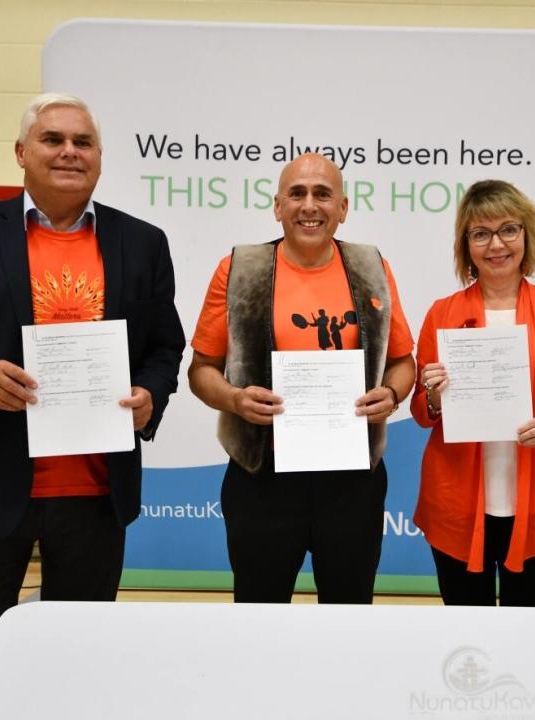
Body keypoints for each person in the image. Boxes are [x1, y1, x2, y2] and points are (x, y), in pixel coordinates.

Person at [0, 93, 185, 690]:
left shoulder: (142, 242)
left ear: (100, 158)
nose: (69, 152)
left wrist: (150, 394)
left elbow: (164, 347)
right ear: (22, 153)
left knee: (79, 669)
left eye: (83, 142)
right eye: (53, 140)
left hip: (95, 493)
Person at [188, 153, 415, 603]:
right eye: (297, 193)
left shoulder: (372, 266)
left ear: (343, 208)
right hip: (262, 476)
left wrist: (390, 394)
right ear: (277, 206)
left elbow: (403, 362)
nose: (309, 205)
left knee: (349, 610)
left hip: (352, 480)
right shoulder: (239, 268)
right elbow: (200, 372)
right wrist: (235, 400)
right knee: (260, 611)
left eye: (322, 194)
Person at [411, 180, 535, 606]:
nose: (496, 244)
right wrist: (435, 397)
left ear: (526, 235)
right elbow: (421, 412)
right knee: (465, 632)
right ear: (467, 245)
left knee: (530, 632)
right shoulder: (441, 313)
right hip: (457, 504)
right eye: (480, 233)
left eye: (508, 230)